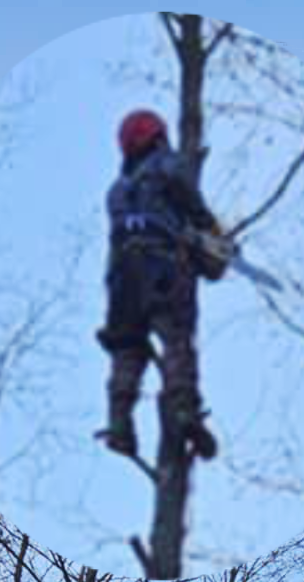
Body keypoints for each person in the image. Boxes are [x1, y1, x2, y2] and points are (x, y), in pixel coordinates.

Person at [96, 109, 231, 460]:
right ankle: (183, 408)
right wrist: (212, 232)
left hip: (121, 279)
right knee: (176, 339)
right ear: (157, 135)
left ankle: (119, 422)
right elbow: (190, 202)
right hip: (162, 265)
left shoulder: (117, 190)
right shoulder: (167, 165)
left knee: (128, 348)